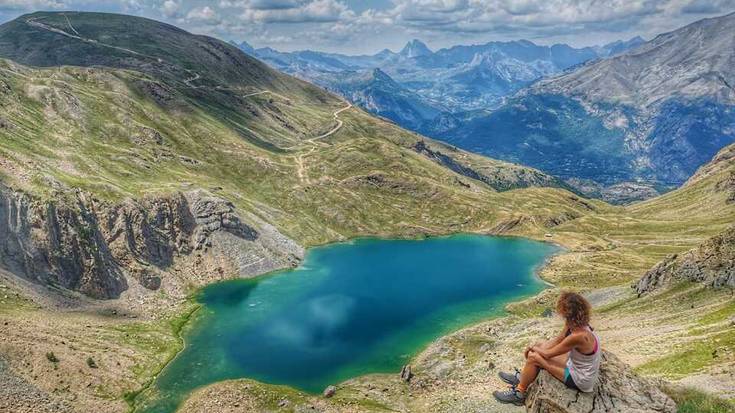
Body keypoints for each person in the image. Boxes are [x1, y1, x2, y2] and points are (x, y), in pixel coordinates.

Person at [493, 291, 602, 406]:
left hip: (580, 379)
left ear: (567, 313)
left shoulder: (578, 336)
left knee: (534, 358)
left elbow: (548, 355)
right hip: (576, 365)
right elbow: (557, 340)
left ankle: (519, 393)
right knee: (540, 346)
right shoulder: (577, 323)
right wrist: (538, 347)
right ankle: (524, 375)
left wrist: (532, 349)